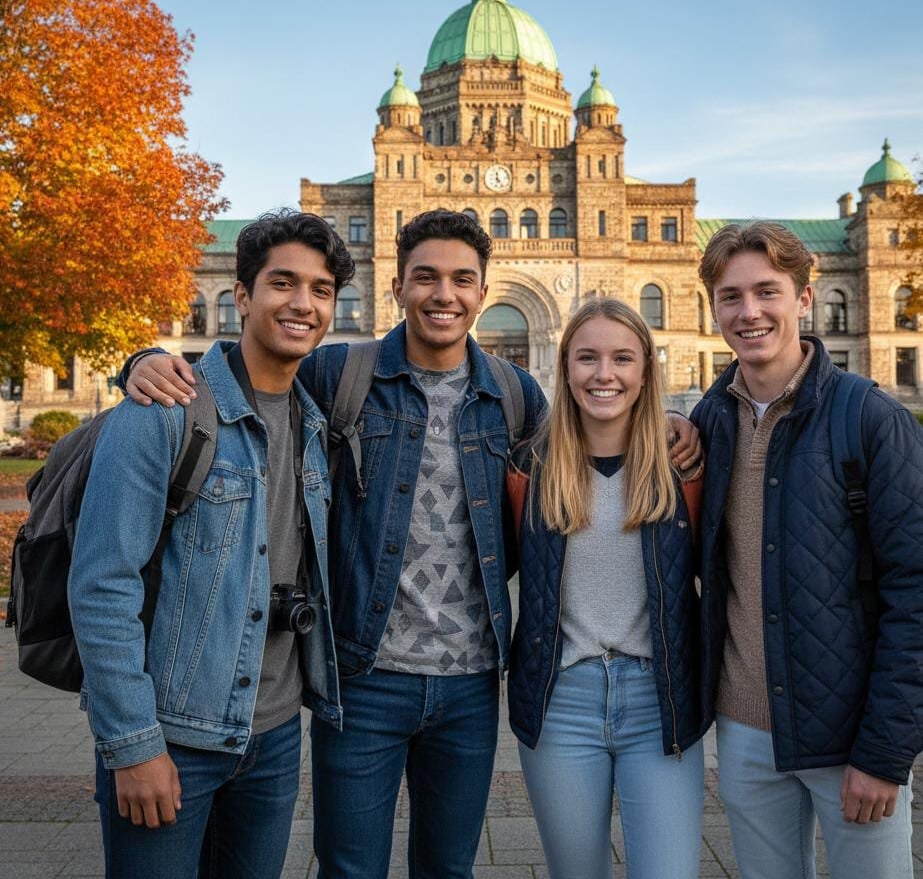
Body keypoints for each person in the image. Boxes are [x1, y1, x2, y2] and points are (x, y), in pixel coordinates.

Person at [124, 209, 702, 879]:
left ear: (484, 293)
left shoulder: (512, 395)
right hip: (363, 677)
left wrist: (667, 414)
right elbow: (247, 380)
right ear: (395, 286)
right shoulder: (339, 374)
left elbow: (591, 428)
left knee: (447, 868)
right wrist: (147, 361)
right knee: (349, 867)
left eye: (461, 279)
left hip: (470, 685)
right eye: (425, 277)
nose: (443, 294)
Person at [69, 211, 354, 878]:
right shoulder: (166, 409)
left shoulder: (316, 423)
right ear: (242, 295)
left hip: (276, 737)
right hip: (174, 736)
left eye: (319, 290)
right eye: (282, 283)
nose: (301, 304)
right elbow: (102, 583)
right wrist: (132, 745)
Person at [692, 221, 923, 879]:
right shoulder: (708, 423)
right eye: (730, 296)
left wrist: (884, 751)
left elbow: (915, 590)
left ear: (804, 298)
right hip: (742, 733)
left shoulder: (869, 418)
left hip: (848, 734)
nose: (748, 312)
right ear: (712, 308)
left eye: (767, 291)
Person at [506, 297, 708, 879]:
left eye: (622, 358)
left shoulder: (683, 468)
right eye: (587, 357)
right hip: (560, 701)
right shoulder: (528, 468)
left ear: (645, 369)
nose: (604, 374)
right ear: (565, 366)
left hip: (660, 702)